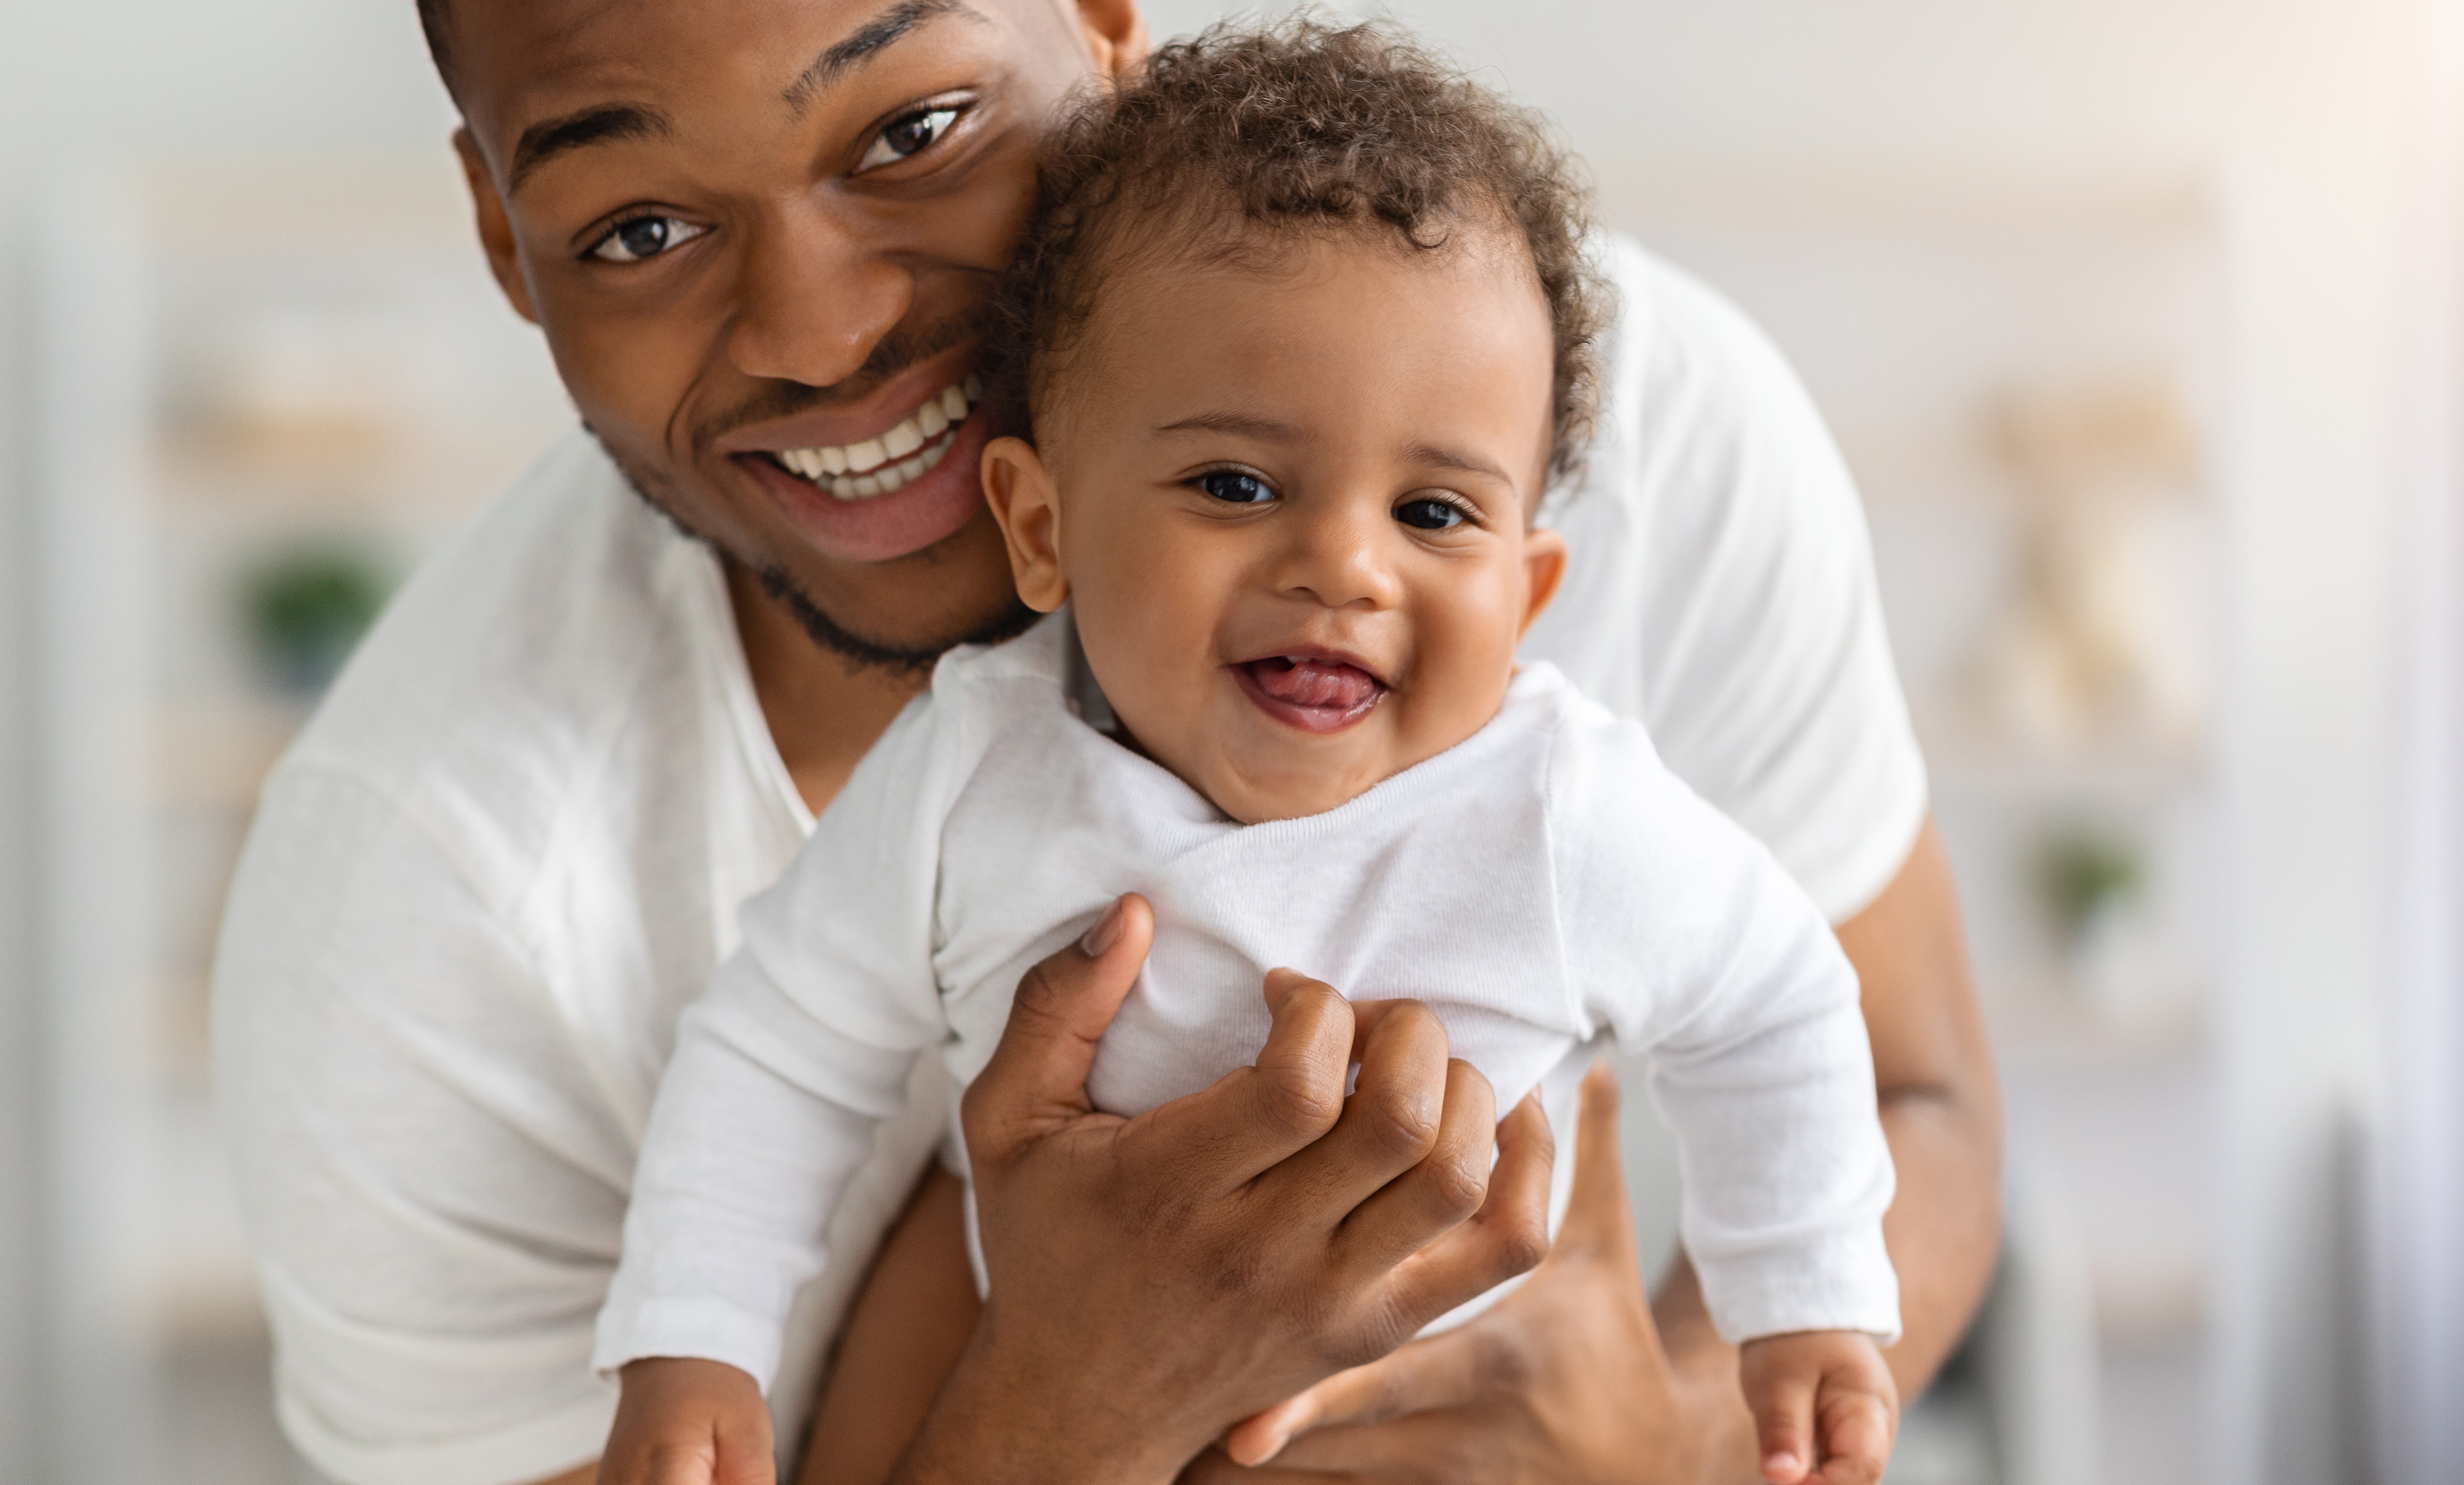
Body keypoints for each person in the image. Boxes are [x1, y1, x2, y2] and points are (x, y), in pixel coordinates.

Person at [210, 2, 2003, 1483]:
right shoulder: (423, 915)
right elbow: (772, 1058)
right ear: (498, 235)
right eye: (641, 229)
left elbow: (1890, 1074)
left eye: (913, 132)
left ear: (1101, 23)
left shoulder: (1618, 440)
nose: (821, 330)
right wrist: (1063, 1403)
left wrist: (1671, 1430)